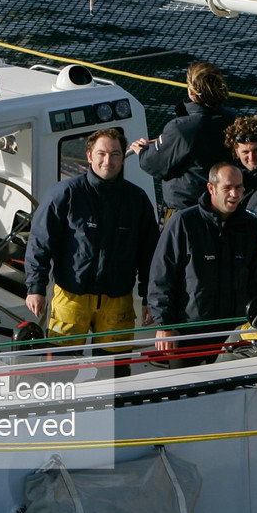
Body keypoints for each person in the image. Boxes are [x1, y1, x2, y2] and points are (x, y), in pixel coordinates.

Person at [24, 128, 158, 370]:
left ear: (123, 157)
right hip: (71, 296)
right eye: (102, 153)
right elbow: (40, 242)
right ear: (89, 156)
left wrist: (150, 296)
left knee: (115, 374)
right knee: (59, 372)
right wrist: (36, 288)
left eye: (115, 154)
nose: (108, 160)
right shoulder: (64, 194)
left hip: (118, 300)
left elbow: (150, 254)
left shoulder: (137, 200)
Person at [146, 163, 257, 365]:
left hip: (233, 332)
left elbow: (256, 280)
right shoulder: (183, 222)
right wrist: (165, 326)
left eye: (239, 188)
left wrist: (256, 323)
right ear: (211, 188)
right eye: (227, 188)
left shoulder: (249, 226)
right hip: (189, 333)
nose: (234, 194)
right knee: (185, 392)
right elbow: (162, 277)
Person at [130, 61, 239, 211]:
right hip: (223, 206)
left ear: (191, 91)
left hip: (188, 209)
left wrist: (143, 151)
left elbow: (155, 164)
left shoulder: (180, 128)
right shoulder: (232, 118)